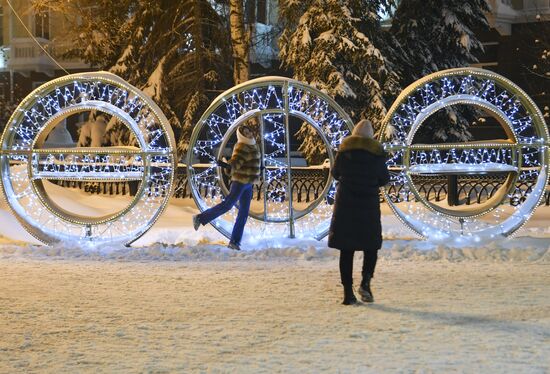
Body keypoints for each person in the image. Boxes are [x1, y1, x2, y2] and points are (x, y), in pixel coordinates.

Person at [328, 119, 390, 305]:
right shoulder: (376, 155)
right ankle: (365, 282)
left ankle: (348, 292)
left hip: (345, 204)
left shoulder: (344, 152)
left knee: (346, 250)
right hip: (368, 206)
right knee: (371, 246)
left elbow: (335, 173)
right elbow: (384, 178)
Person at [192, 125, 261, 251]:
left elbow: (253, 162)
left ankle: (235, 242)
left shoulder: (254, 145)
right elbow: (236, 163)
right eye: (246, 133)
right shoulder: (241, 146)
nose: (249, 134)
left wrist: (258, 169)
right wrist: (226, 165)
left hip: (248, 184)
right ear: (242, 135)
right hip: (239, 182)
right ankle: (200, 218)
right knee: (228, 205)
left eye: (249, 131)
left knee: (243, 213)